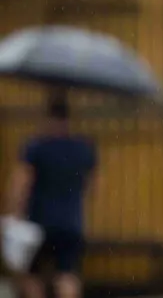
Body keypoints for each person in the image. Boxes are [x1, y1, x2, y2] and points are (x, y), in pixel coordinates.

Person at [4, 93, 96, 298]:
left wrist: (13, 213)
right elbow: (90, 186)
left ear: (47, 118)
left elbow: (21, 182)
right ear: (68, 119)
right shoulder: (83, 148)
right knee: (67, 275)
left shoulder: (36, 146)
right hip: (71, 222)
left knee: (30, 275)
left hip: (38, 222)